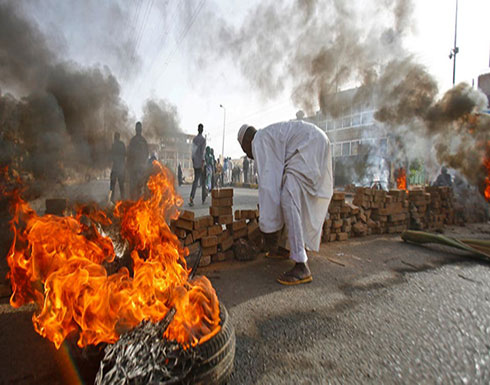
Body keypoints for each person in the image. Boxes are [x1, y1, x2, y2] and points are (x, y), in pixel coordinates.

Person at [237, 121, 333, 285]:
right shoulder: (268, 135)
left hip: (309, 145)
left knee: (288, 197)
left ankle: (301, 265)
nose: (248, 155)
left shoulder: (259, 140)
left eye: (245, 151)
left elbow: (268, 186)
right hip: (315, 141)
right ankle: (285, 248)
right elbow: (275, 183)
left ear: (247, 142)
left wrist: (268, 228)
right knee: (287, 192)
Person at [127, 121, 149, 200]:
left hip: (135, 168)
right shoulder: (143, 141)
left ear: (136, 129)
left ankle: (134, 205)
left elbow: (129, 154)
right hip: (139, 168)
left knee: (134, 188)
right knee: (139, 188)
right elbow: (147, 153)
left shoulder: (133, 140)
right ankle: (137, 205)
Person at [189, 123, 206, 206]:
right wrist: (202, 164)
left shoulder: (194, 139)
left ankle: (191, 197)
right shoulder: (203, 140)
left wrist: (193, 161)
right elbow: (203, 152)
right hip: (200, 163)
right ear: (202, 130)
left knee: (195, 181)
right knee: (203, 181)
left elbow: (193, 151)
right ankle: (203, 198)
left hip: (195, 163)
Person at [109, 132, 126, 203]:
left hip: (116, 167)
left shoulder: (114, 145)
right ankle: (123, 199)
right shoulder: (122, 145)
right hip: (120, 168)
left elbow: (111, 157)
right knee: (121, 185)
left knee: (112, 183)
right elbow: (125, 155)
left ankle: (112, 198)